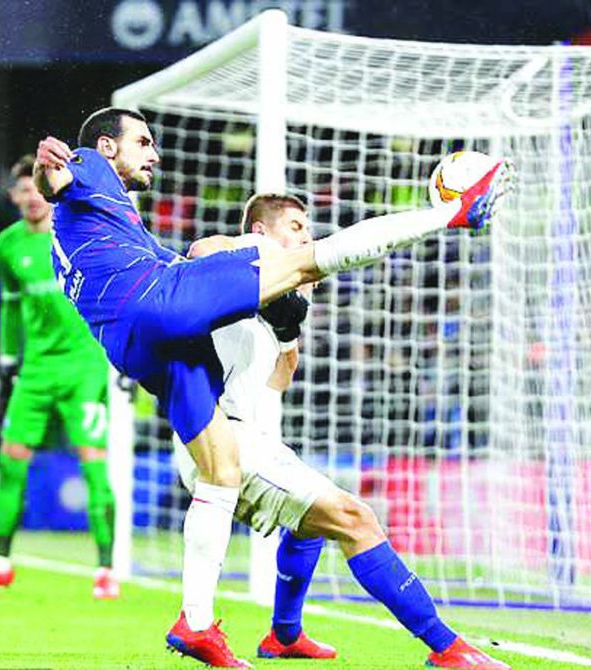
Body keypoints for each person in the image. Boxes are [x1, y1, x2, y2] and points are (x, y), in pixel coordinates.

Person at [34, 107, 510, 667]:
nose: (155, 153)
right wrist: (49, 170)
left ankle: (207, 625)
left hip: (142, 344)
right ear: (109, 149)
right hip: (156, 304)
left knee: (225, 478)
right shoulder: (94, 168)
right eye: (143, 141)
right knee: (313, 266)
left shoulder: (115, 227)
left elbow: (278, 376)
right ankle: (448, 214)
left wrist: (285, 329)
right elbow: (60, 180)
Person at [173, 193, 510, 669]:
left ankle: (285, 637)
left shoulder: (278, 305)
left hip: (242, 436)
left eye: (307, 226)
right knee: (355, 517)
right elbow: (202, 250)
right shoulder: (230, 261)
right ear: (260, 231)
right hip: (217, 438)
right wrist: (259, 267)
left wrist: (285, 332)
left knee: (311, 524)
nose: (305, 235)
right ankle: (447, 647)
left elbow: (281, 373)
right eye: (294, 225)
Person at [0, 155, 118, 600]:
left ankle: (105, 570)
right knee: (10, 459)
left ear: (47, 191)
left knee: (94, 464)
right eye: (22, 190)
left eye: (36, 189)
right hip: (36, 369)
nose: (30, 197)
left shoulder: (76, 230)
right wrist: (8, 363)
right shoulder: (8, 245)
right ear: (13, 196)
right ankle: (0, 563)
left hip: (84, 365)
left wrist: (119, 354)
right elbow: (10, 306)